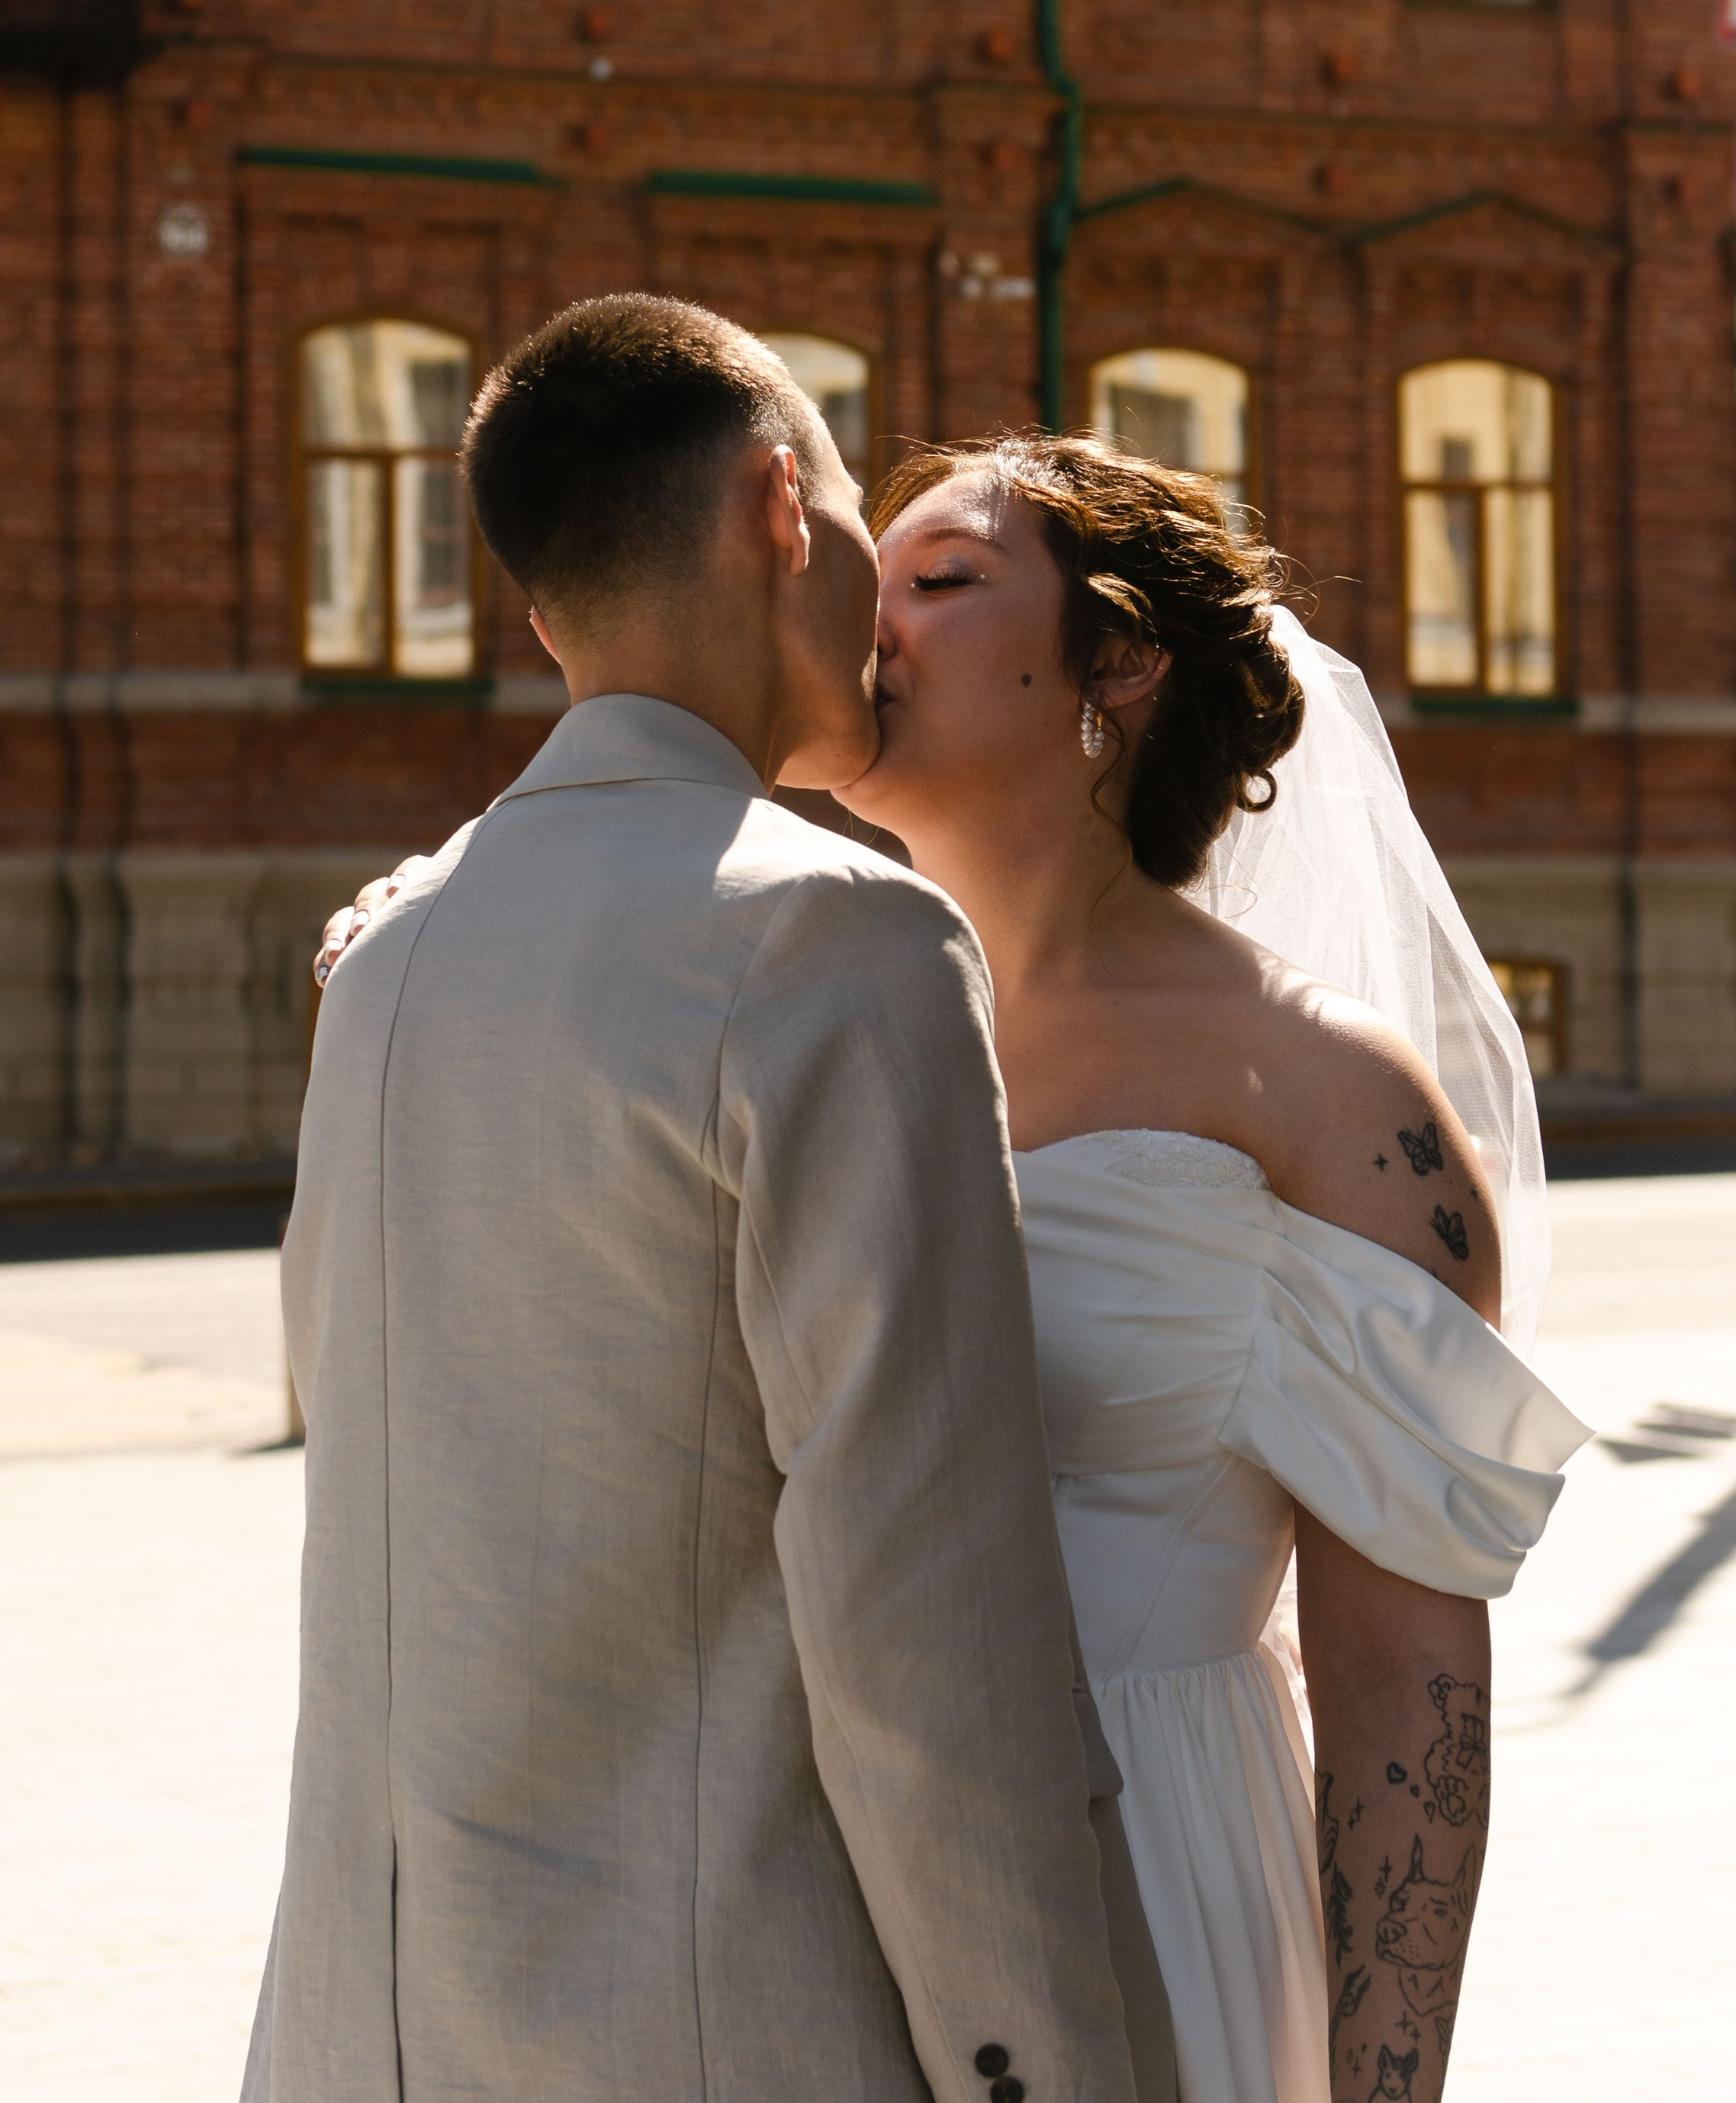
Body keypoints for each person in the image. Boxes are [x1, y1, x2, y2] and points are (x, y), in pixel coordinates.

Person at [246, 301, 1170, 2103]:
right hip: (714, 2029)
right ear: (773, 506)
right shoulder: (838, 943)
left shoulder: (388, 955)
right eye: (855, 517)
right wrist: (1043, 2069)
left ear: (544, 613)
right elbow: (927, 1626)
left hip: (361, 2037)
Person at [837, 436, 1589, 2103]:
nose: (866, 624)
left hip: (1154, 1867)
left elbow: (1399, 1676)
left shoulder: (1326, 1090)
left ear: (1117, 663)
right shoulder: (806, 1007)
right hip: (817, 1882)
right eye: (857, 579)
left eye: (938, 580)